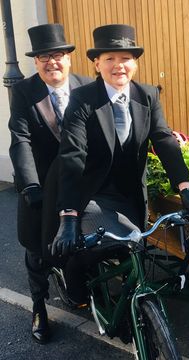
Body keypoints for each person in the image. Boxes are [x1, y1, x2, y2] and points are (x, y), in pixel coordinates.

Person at [48, 23, 189, 303]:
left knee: (134, 249)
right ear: (97, 64)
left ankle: (132, 310)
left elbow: (164, 142)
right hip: (93, 194)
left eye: (125, 58)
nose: (118, 65)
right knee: (91, 248)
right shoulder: (83, 99)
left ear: (135, 63)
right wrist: (69, 216)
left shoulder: (147, 96)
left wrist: (186, 188)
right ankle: (73, 278)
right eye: (110, 58)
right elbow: (73, 156)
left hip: (130, 193)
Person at [8, 23, 92, 344]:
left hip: (81, 183)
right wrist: (30, 185)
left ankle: (79, 283)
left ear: (69, 57)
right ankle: (39, 305)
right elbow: (20, 140)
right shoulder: (24, 92)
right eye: (44, 57)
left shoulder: (87, 87)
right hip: (41, 182)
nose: (51, 62)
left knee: (92, 237)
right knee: (35, 247)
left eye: (57, 55)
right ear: (35, 62)